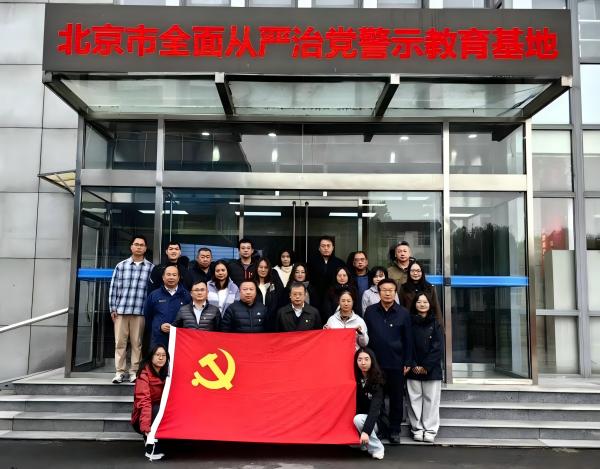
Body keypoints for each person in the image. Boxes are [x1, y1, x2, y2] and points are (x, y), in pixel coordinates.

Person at [363, 278, 414, 445]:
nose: (387, 293)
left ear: (395, 292)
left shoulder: (403, 313)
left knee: (396, 399)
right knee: (377, 399)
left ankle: (394, 430)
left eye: (390, 290)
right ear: (378, 292)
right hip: (376, 363)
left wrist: (408, 361)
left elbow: (408, 339)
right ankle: (382, 429)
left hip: (396, 362)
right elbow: (365, 337)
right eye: (384, 290)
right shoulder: (370, 311)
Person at [108, 235, 154, 384]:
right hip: (121, 311)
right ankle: (119, 372)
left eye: (142, 245)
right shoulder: (121, 266)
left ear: (145, 248)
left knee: (137, 344)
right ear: (131, 247)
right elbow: (114, 287)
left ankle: (134, 372)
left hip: (140, 312)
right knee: (120, 343)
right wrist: (112, 308)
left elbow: (151, 292)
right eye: (136, 244)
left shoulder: (151, 268)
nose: (139, 247)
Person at [406, 293, 444, 443]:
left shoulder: (436, 323)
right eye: (419, 302)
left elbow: (438, 347)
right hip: (413, 367)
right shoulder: (408, 322)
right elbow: (407, 345)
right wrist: (413, 364)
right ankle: (417, 429)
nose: (422, 304)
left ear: (430, 304)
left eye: (425, 302)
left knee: (431, 400)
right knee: (414, 400)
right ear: (414, 304)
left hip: (431, 369)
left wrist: (426, 366)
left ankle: (430, 430)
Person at [131, 344, 168, 461]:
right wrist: (146, 428)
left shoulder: (167, 373)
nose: (161, 358)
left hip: (159, 414)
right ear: (151, 357)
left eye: (164, 355)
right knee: (157, 409)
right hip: (143, 418)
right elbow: (144, 402)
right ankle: (151, 444)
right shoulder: (143, 375)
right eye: (157, 355)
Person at [144, 266, 191, 348]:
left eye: (174, 275)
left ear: (178, 277)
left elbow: (190, 318)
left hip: (180, 338)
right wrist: (159, 326)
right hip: (159, 338)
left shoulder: (186, 295)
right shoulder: (154, 295)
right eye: (168, 274)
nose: (171, 277)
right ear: (163, 277)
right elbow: (148, 317)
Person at [354, 347, 386, 460]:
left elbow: (375, 410)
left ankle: (377, 448)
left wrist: (366, 432)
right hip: (361, 417)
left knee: (358, 419)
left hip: (376, 420)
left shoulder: (378, 379)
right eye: (360, 359)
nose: (363, 363)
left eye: (366, 359)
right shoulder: (355, 378)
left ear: (372, 360)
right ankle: (365, 443)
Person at [399, 261, 443, 327]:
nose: (415, 273)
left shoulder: (430, 287)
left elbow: (436, 308)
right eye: (412, 271)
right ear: (409, 272)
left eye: (418, 271)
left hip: (427, 325)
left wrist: (440, 327)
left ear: (422, 272)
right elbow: (401, 308)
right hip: (410, 324)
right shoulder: (404, 288)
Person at [350, 251, 370, 316]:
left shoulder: (373, 277)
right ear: (353, 263)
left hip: (369, 312)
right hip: (353, 313)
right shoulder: (349, 278)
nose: (360, 262)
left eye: (362, 259)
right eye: (357, 260)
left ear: (366, 262)